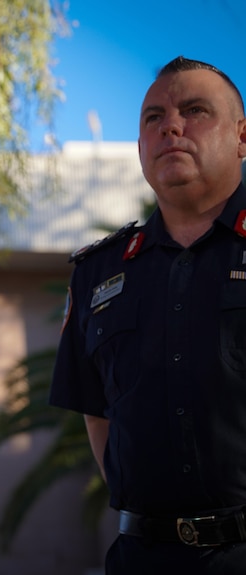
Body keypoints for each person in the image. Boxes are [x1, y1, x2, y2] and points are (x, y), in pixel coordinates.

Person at [50, 56, 246, 574]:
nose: (171, 126)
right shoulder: (99, 272)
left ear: (243, 137)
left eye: (195, 110)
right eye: (153, 118)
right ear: (140, 147)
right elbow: (98, 411)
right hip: (142, 558)